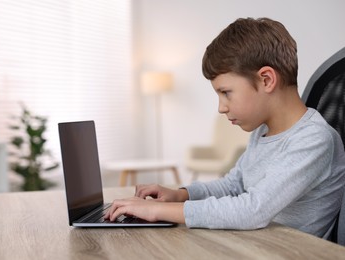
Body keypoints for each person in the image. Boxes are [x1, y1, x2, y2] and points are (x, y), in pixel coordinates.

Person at [104, 17, 345, 239]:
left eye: (226, 92)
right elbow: (233, 186)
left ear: (266, 80)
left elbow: (252, 210)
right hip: (251, 243)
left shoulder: (313, 139)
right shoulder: (262, 132)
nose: (221, 107)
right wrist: (181, 194)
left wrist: (162, 211)